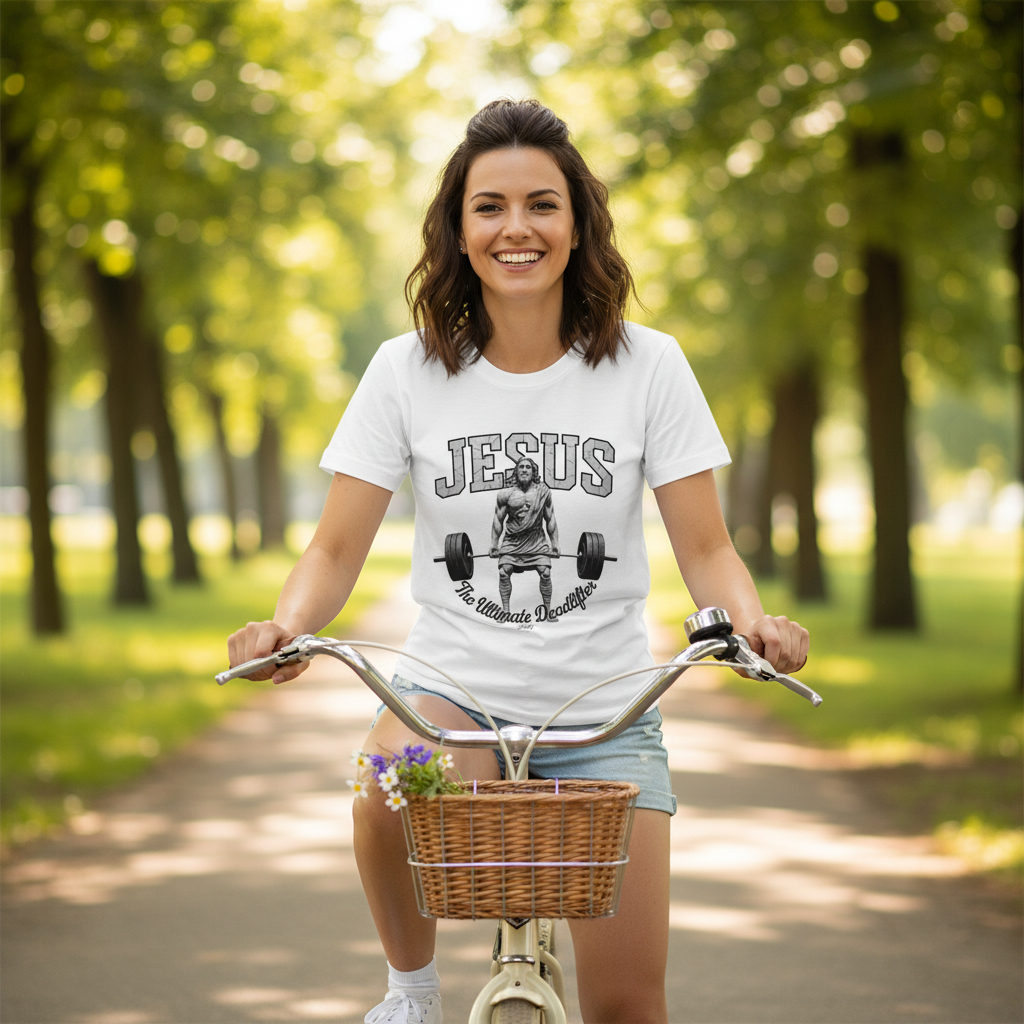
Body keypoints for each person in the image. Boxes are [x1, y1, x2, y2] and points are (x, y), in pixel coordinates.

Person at [228, 99, 809, 1024]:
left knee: (627, 1007)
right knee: (384, 786)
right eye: (489, 207)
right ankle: (410, 992)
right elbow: (336, 544)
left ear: (577, 226)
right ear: (459, 233)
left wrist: (752, 626)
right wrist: (288, 627)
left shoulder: (649, 368)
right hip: (455, 693)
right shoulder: (405, 370)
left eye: (542, 204)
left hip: (606, 709)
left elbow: (706, 545)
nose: (516, 228)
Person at [490, 455, 559, 619]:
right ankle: (505, 611)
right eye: (521, 467)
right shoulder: (505, 494)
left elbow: (550, 518)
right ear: (516, 471)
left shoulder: (543, 492)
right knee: (503, 572)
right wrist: (494, 544)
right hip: (512, 541)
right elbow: (498, 520)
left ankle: (548, 612)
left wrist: (555, 543)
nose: (524, 470)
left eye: (528, 467)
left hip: (536, 540)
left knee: (546, 573)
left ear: (533, 471)